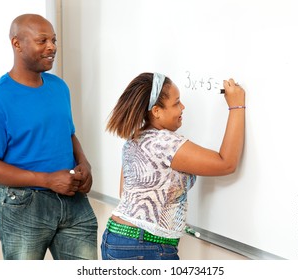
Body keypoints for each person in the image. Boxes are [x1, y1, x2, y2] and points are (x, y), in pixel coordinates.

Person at [0, 14, 98, 260]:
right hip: (23, 204)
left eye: (54, 40)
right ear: (17, 44)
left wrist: (84, 162)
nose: (52, 47)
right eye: (42, 41)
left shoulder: (59, 87)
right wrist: (47, 180)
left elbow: (68, 133)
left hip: (73, 199)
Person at [101, 72, 245, 260]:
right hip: (144, 247)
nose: (183, 107)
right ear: (156, 111)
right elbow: (226, 163)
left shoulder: (134, 139)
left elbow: (125, 193)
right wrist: (237, 105)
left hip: (116, 239)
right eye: (177, 103)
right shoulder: (165, 143)